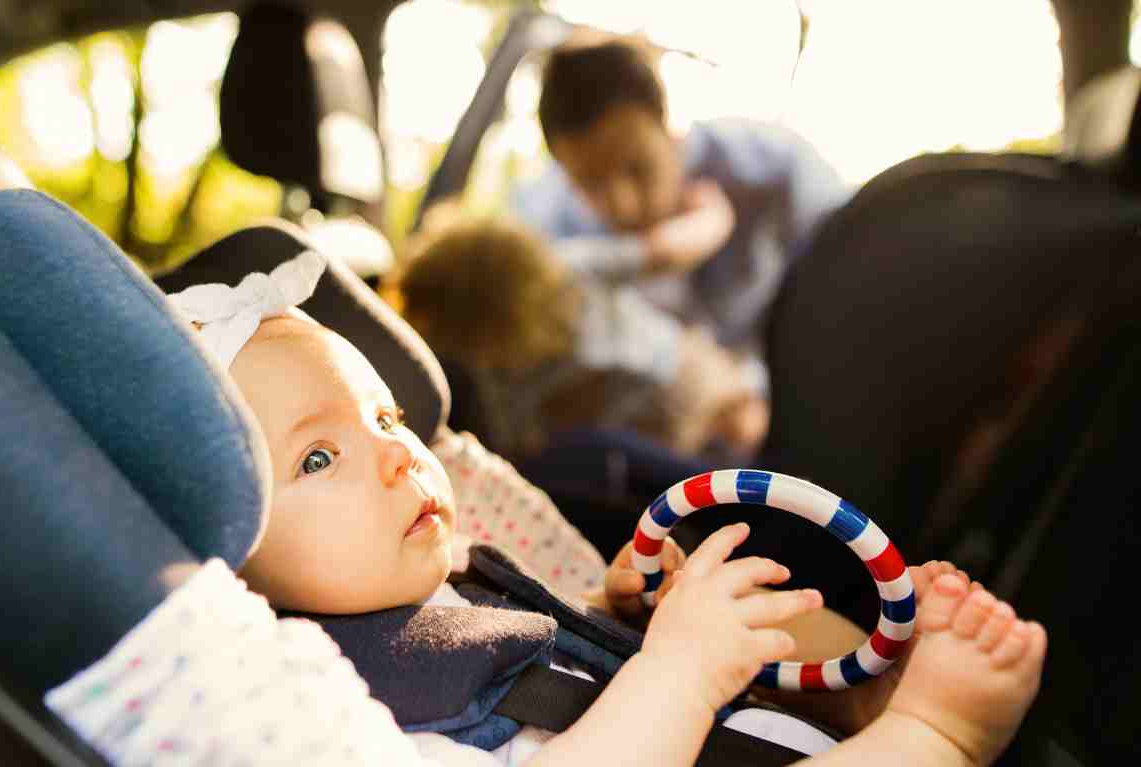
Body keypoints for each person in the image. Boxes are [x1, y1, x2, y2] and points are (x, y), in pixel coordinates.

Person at [99, 250, 1046, 767]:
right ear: (228, 556)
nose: (396, 452)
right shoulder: (338, 709)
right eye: (317, 455)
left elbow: (568, 668)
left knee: (758, 618)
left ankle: (862, 693)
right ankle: (937, 735)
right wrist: (677, 671)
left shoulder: (459, 574)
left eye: (385, 415)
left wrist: (624, 617)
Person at [513, 36, 852, 372]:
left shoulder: (774, 171)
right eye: (590, 185)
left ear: (666, 120)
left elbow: (854, 277)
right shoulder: (551, 224)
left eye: (637, 168)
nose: (624, 206)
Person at [393, 213, 768, 462]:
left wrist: (712, 217)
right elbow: (665, 249)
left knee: (742, 425)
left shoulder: (569, 267)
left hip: (682, 384)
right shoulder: (502, 373)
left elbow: (661, 250)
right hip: (663, 407)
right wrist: (713, 217)